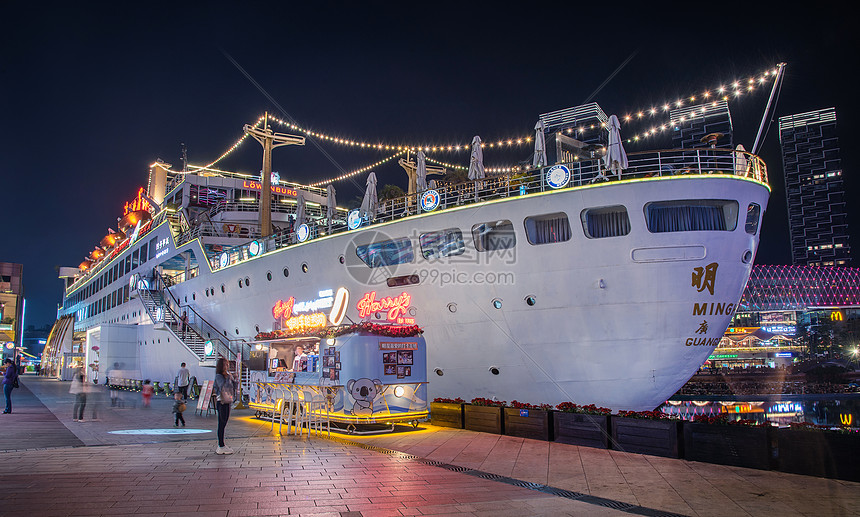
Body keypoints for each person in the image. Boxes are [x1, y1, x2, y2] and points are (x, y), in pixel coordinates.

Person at [213, 358, 236, 455]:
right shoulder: (219, 376)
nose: (227, 366)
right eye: (226, 364)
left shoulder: (226, 375)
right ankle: (221, 446)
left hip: (227, 401)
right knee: (221, 424)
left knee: (224, 423)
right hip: (221, 401)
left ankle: (222, 445)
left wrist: (233, 379)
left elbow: (233, 386)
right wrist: (228, 378)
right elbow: (223, 386)